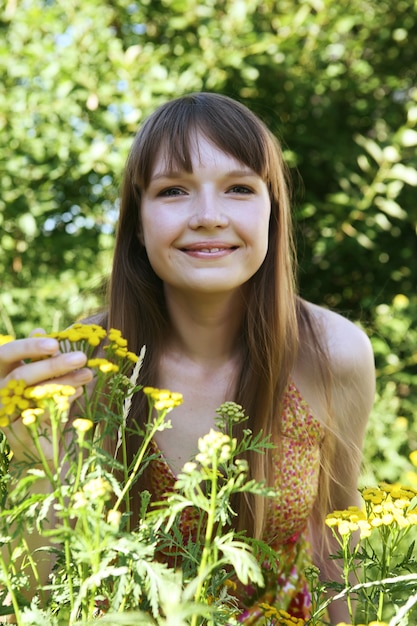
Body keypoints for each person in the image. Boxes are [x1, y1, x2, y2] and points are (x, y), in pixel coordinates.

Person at [0, 92, 375, 623]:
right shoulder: (80, 369)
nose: (207, 216)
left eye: (239, 188)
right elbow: (40, 597)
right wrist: (32, 462)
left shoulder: (333, 354)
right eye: (173, 190)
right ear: (137, 220)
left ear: (273, 211)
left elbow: (339, 539)